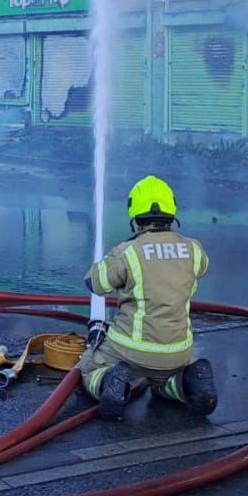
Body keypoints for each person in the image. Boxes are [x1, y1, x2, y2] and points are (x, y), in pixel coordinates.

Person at [78, 175, 217, 421]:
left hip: (129, 350)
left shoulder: (128, 252)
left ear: (135, 213)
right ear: (172, 211)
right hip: (178, 352)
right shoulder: (194, 249)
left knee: (89, 366)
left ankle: (109, 382)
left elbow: (95, 283)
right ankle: (189, 382)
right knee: (163, 383)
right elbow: (202, 268)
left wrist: (115, 257)